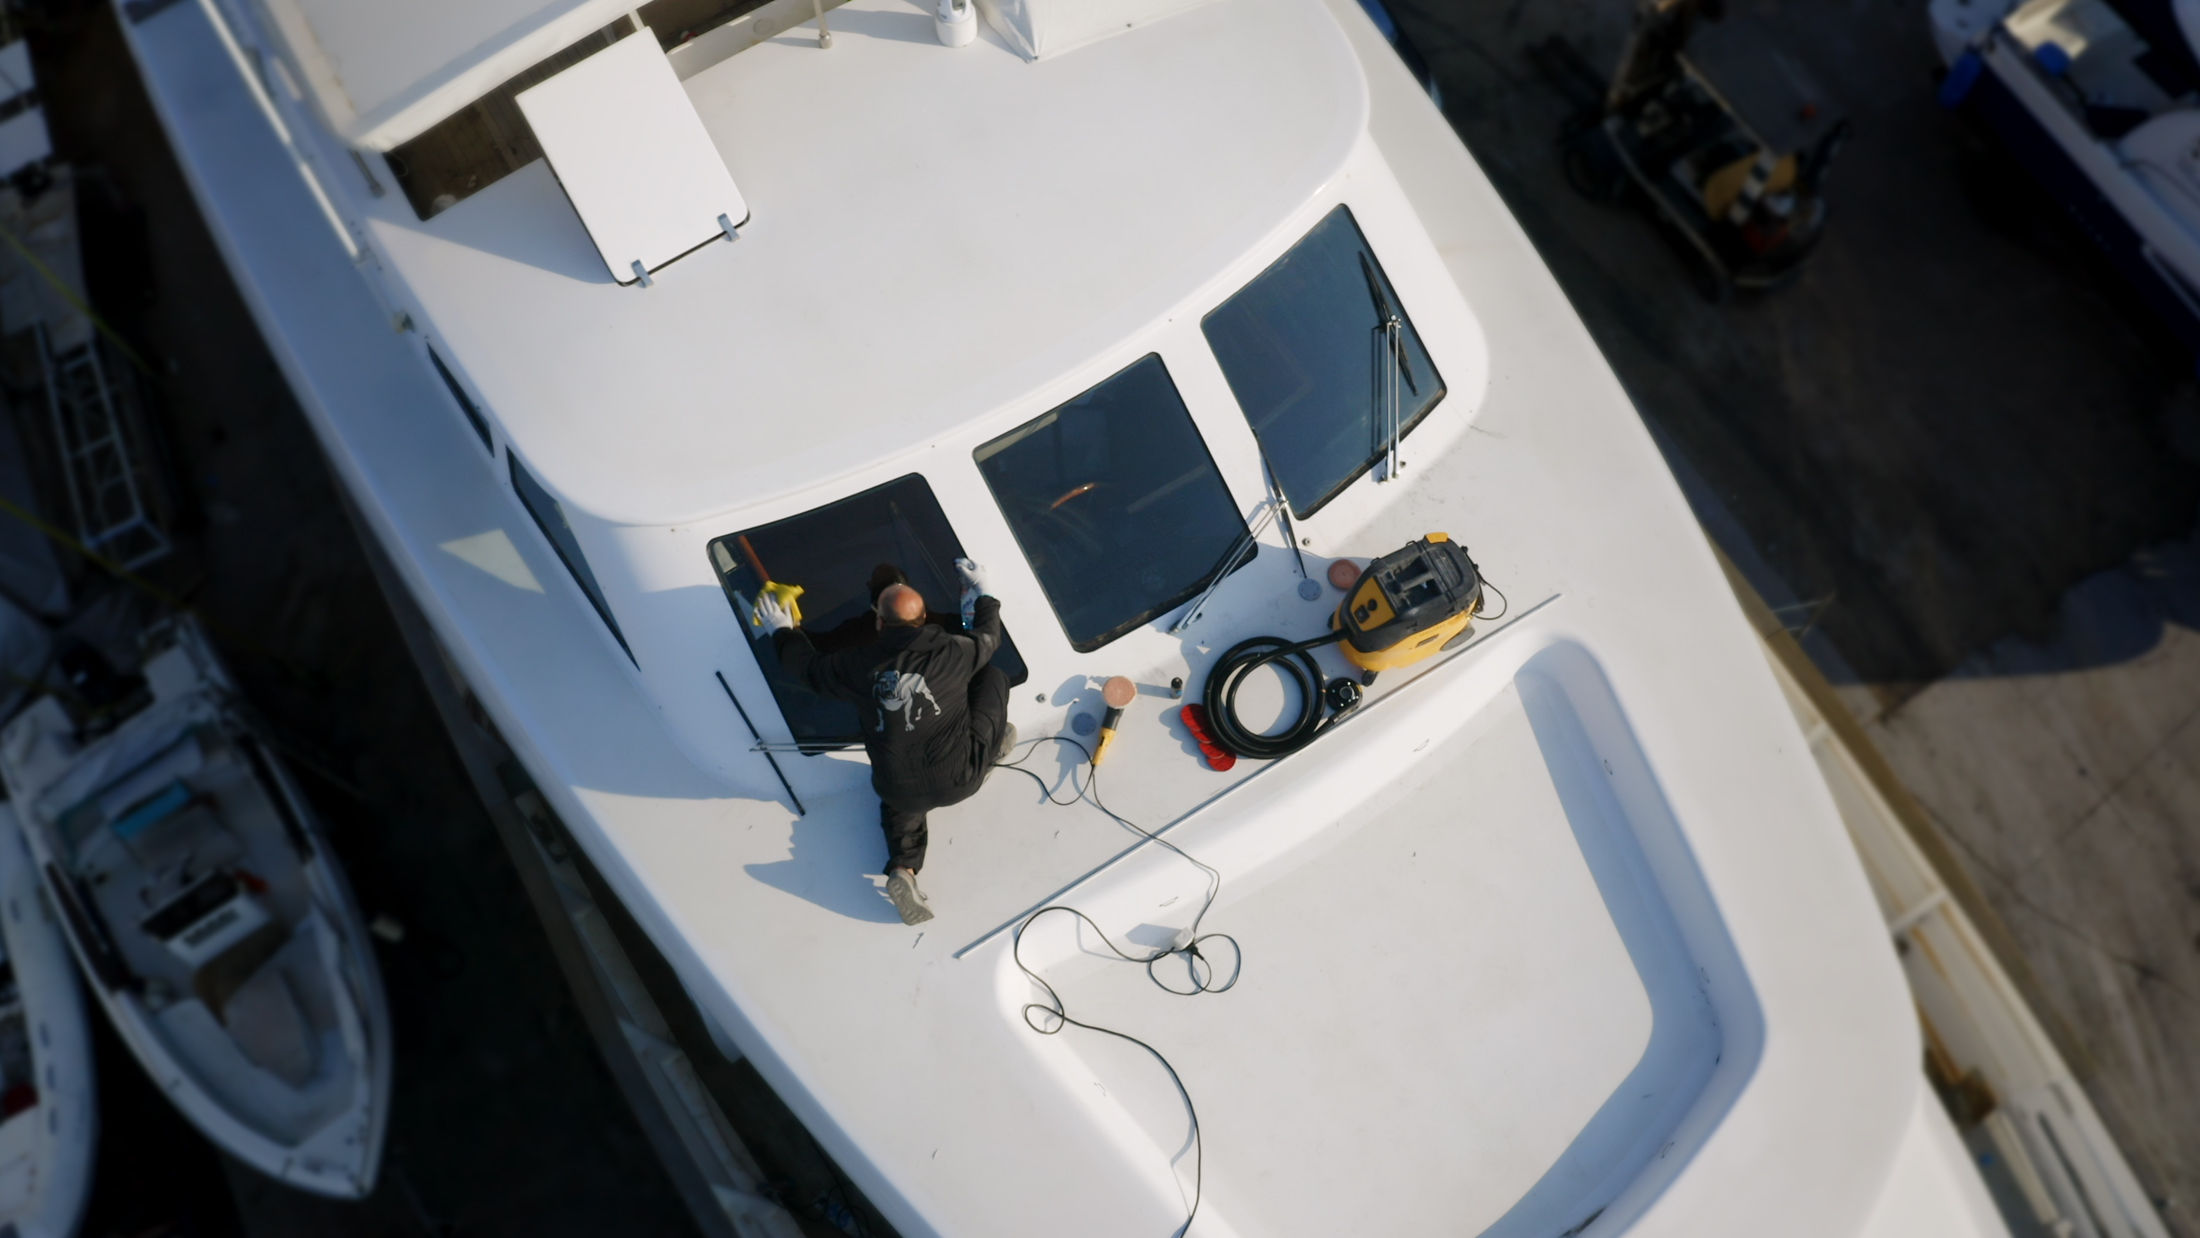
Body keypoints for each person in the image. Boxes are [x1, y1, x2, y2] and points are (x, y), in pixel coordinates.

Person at [753, 560, 1014, 925]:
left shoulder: (857, 666)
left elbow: (808, 669)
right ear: (925, 619)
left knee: (901, 802)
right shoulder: (956, 652)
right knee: (993, 677)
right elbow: (989, 637)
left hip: (898, 788)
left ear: (878, 621)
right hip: (961, 777)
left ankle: (904, 869)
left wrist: (782, 631)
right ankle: (990, 750)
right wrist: (983, 593)